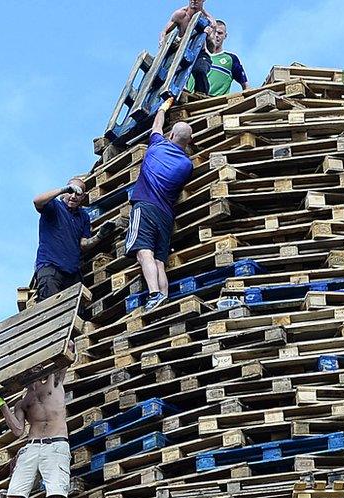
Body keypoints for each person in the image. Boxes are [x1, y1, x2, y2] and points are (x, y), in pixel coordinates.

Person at [125, 97, 194, 307]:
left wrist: (165, 107)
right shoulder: (186, 165)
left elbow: (156, 125)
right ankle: (164, 296)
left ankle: (154, 295)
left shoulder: (157, 145)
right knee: (159, 262)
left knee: (144, 252)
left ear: (171, 134)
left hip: (144, 207)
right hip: (165, 216)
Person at [0, 365, 71, 498]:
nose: (34, 368)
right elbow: (18, 431)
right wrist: (2, 405)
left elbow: (69, 347)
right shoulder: (22, 403)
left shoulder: (54, 381)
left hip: (56, 443)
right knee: (13, 494)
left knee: (58, 492)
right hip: (32, 446)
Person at [30, 178, 92, 302]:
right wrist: (62, 189)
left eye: (78, 194)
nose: (73, 196)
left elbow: (83, 243)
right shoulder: (54, 207)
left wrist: (100, 236)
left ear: (83, 197)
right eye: (70, 192)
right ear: (64, 192)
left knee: (75, 312)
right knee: (51, 309)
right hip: (51, 267)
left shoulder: (83, 216)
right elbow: (37, 201)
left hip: (72, 272)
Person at [185, 19, 246, 96]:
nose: (216, 35)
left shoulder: (230, 59)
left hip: (215, 103)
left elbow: (245, 86)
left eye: (220, 33)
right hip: (191, 100)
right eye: (214, 32)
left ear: (225, 36)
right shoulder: (195, 56)